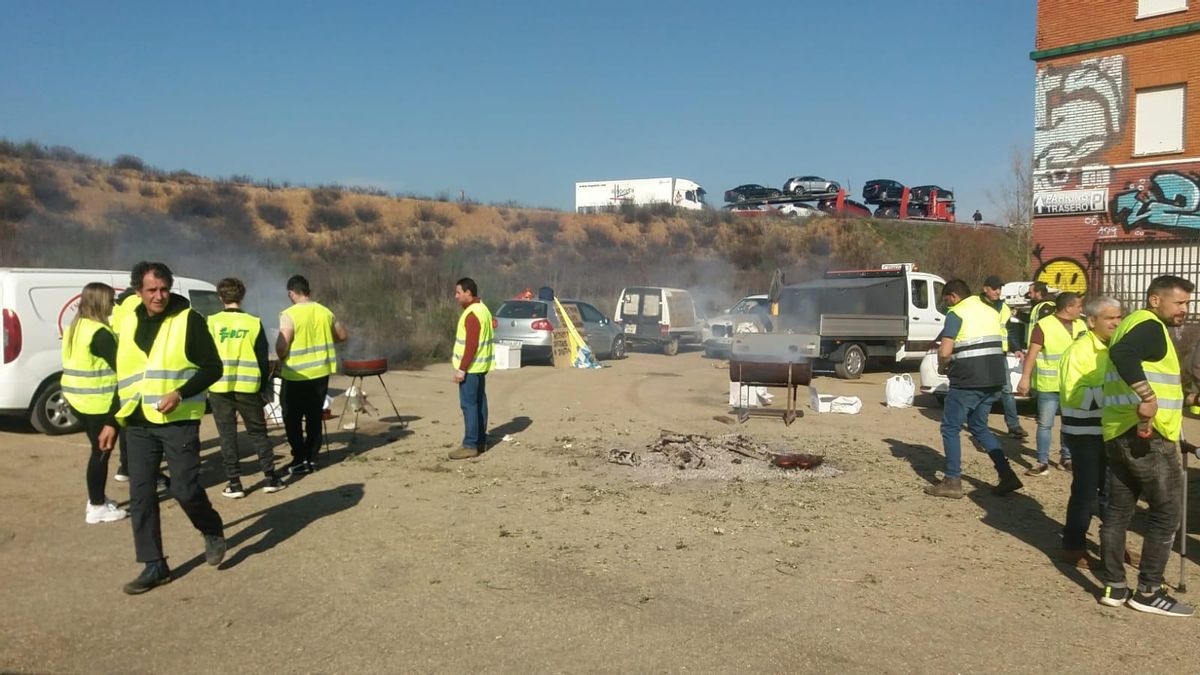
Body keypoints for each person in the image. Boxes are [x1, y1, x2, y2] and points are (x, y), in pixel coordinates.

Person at [115, 262, 225, 594]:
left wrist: (181, 393)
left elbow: (213, 368)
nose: (159, 296)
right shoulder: (128, 317)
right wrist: (110, 420)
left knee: (184, 489)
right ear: (138, 292)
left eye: (164, 289)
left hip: (178, 420)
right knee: (141, 495)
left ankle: (211, 527)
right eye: (151, 290)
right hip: (137, 421)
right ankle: (154, 565)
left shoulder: (188, 320)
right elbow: (122, 371)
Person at [1098, 275, 1198, 616]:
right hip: (1148, 437)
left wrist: (1182, 396)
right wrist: (1148, 396)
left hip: (1118, 432)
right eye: (1180, 303)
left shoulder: (1130, 324)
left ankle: (1114, 586)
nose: (1185, 309)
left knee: (1117, 512)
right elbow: (1123, 354)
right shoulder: (1150, 327)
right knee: (1167, 513)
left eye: (1187, 303)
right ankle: (1148, 591)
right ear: (1155, 300)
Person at [924, 279, 1024, 499]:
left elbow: (944, 351)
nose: (947, 305)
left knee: (950, 427)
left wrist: (942, 366)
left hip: (969, 378)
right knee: (979, 426)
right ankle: (1007, 475)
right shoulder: (989, 311)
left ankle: (952, 480)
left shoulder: (957, 312)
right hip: (995, 377)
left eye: (947, 300)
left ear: (953, 296)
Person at [1057, 296, 1122, 567]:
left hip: (1110, 430)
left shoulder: (1115, 348)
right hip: (1083, 433)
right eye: (1110, 318)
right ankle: (1073, 546)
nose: (1116, 323)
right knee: (1085, 491)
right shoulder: (1080, 351)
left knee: (1114, 491)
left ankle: (1113, 545)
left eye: (1119, 318)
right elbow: (1073, 395)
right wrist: (1113, 394)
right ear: (1092, 321)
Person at [207, 277, 285, 497]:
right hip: (248, 387)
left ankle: (234, 483)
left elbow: (206, 356)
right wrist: (262, 386)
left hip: (219, 387)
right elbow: (262, 360)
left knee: (227, 435)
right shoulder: (253, 322)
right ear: (242, 297)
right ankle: (271, 477)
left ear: (220, 297)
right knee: (258, 433)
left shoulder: (211, 322)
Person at [61, 282, 126, 524]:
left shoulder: (76, 327)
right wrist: (112, 417)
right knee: (101, 453)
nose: (113, 304)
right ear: (100, 302)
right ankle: (97, 506)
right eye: (110, 300)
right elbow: (123, 370)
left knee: (97, 451)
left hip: (78, 399)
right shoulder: (100, 333)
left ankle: (96, 497)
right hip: (99, 403)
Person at [277, 274, 348, 476]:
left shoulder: (289, 314)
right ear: (308, 291)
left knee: (292, 417)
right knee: (314, 416)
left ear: (291, 293)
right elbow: (342, 336)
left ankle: (299, 459)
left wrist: (280, 351)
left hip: (296, 375)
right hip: (320, 374)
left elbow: (283, 346)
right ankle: (312, 458)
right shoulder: (325, 312)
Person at [1017, 292, 1086, 475]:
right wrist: (1025, 378)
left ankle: (1067, 458)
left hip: (1073, 385)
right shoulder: (1044, 326)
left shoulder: (1081, 325)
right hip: (1050, 385)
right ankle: (1042, 462)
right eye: (1079, 306)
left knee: (1069, 424)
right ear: (1068, 308)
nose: (1081, 309)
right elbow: (1032, 353)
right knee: (1045, 424)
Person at [450, 277, 495, 460]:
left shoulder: (471, 314)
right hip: (480, 367)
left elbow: (471, 345)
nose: (456, 296)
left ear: (469, 293)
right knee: (479, 404)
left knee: (469, 406)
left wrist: (462, 369)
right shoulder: (483, 309)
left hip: (471, 369)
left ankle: (470, 444)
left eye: (458, 292)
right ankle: (480, 441)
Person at [981, 275, 1026, 440]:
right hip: (982, 353)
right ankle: (979, 423)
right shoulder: (977, 306)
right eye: (994, 288)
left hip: (1000, 354)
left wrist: (1016, 348)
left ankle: (1014, 426)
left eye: (999, 288)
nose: (997, 291)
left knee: (1007, 391)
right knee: (983, 390)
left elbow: (1009, 331)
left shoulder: (1004, 308)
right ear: (985, 288)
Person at [1023, 281, 1055, 348]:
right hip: (1036, 346)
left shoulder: (1047, 306)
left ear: (1038, 293)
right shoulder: (1038, 306)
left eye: (1030, 292)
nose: (1029, 295)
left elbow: (1044, 328)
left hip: (1041, 347)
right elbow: (1031, 320)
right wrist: (1017, 313)